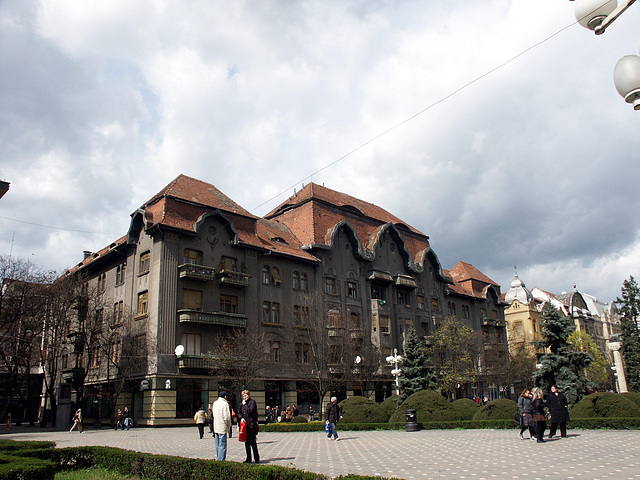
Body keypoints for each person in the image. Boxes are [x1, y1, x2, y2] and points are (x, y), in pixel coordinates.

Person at [237, 390, 260, 463]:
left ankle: (256, 458)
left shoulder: (252, 402)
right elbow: (239, 412)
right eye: (243, 396)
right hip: (245, 426)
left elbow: (250, 411)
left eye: (246, 395)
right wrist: (241, 418)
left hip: (251, 425)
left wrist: (245, 405)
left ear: (249, 395)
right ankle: (248, 458)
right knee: (246, 443)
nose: (244, 397)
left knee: (252, 442)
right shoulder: (241, 404)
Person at [212, 391, 232, 461]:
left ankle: (218, 458)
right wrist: (229, 425)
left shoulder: (215, 403)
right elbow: (227, 417)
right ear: (225, 396)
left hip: (216, 425)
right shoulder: (225, 404)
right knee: (222, 444)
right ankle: (221, 459)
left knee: (217, 444)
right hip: (222, 426)